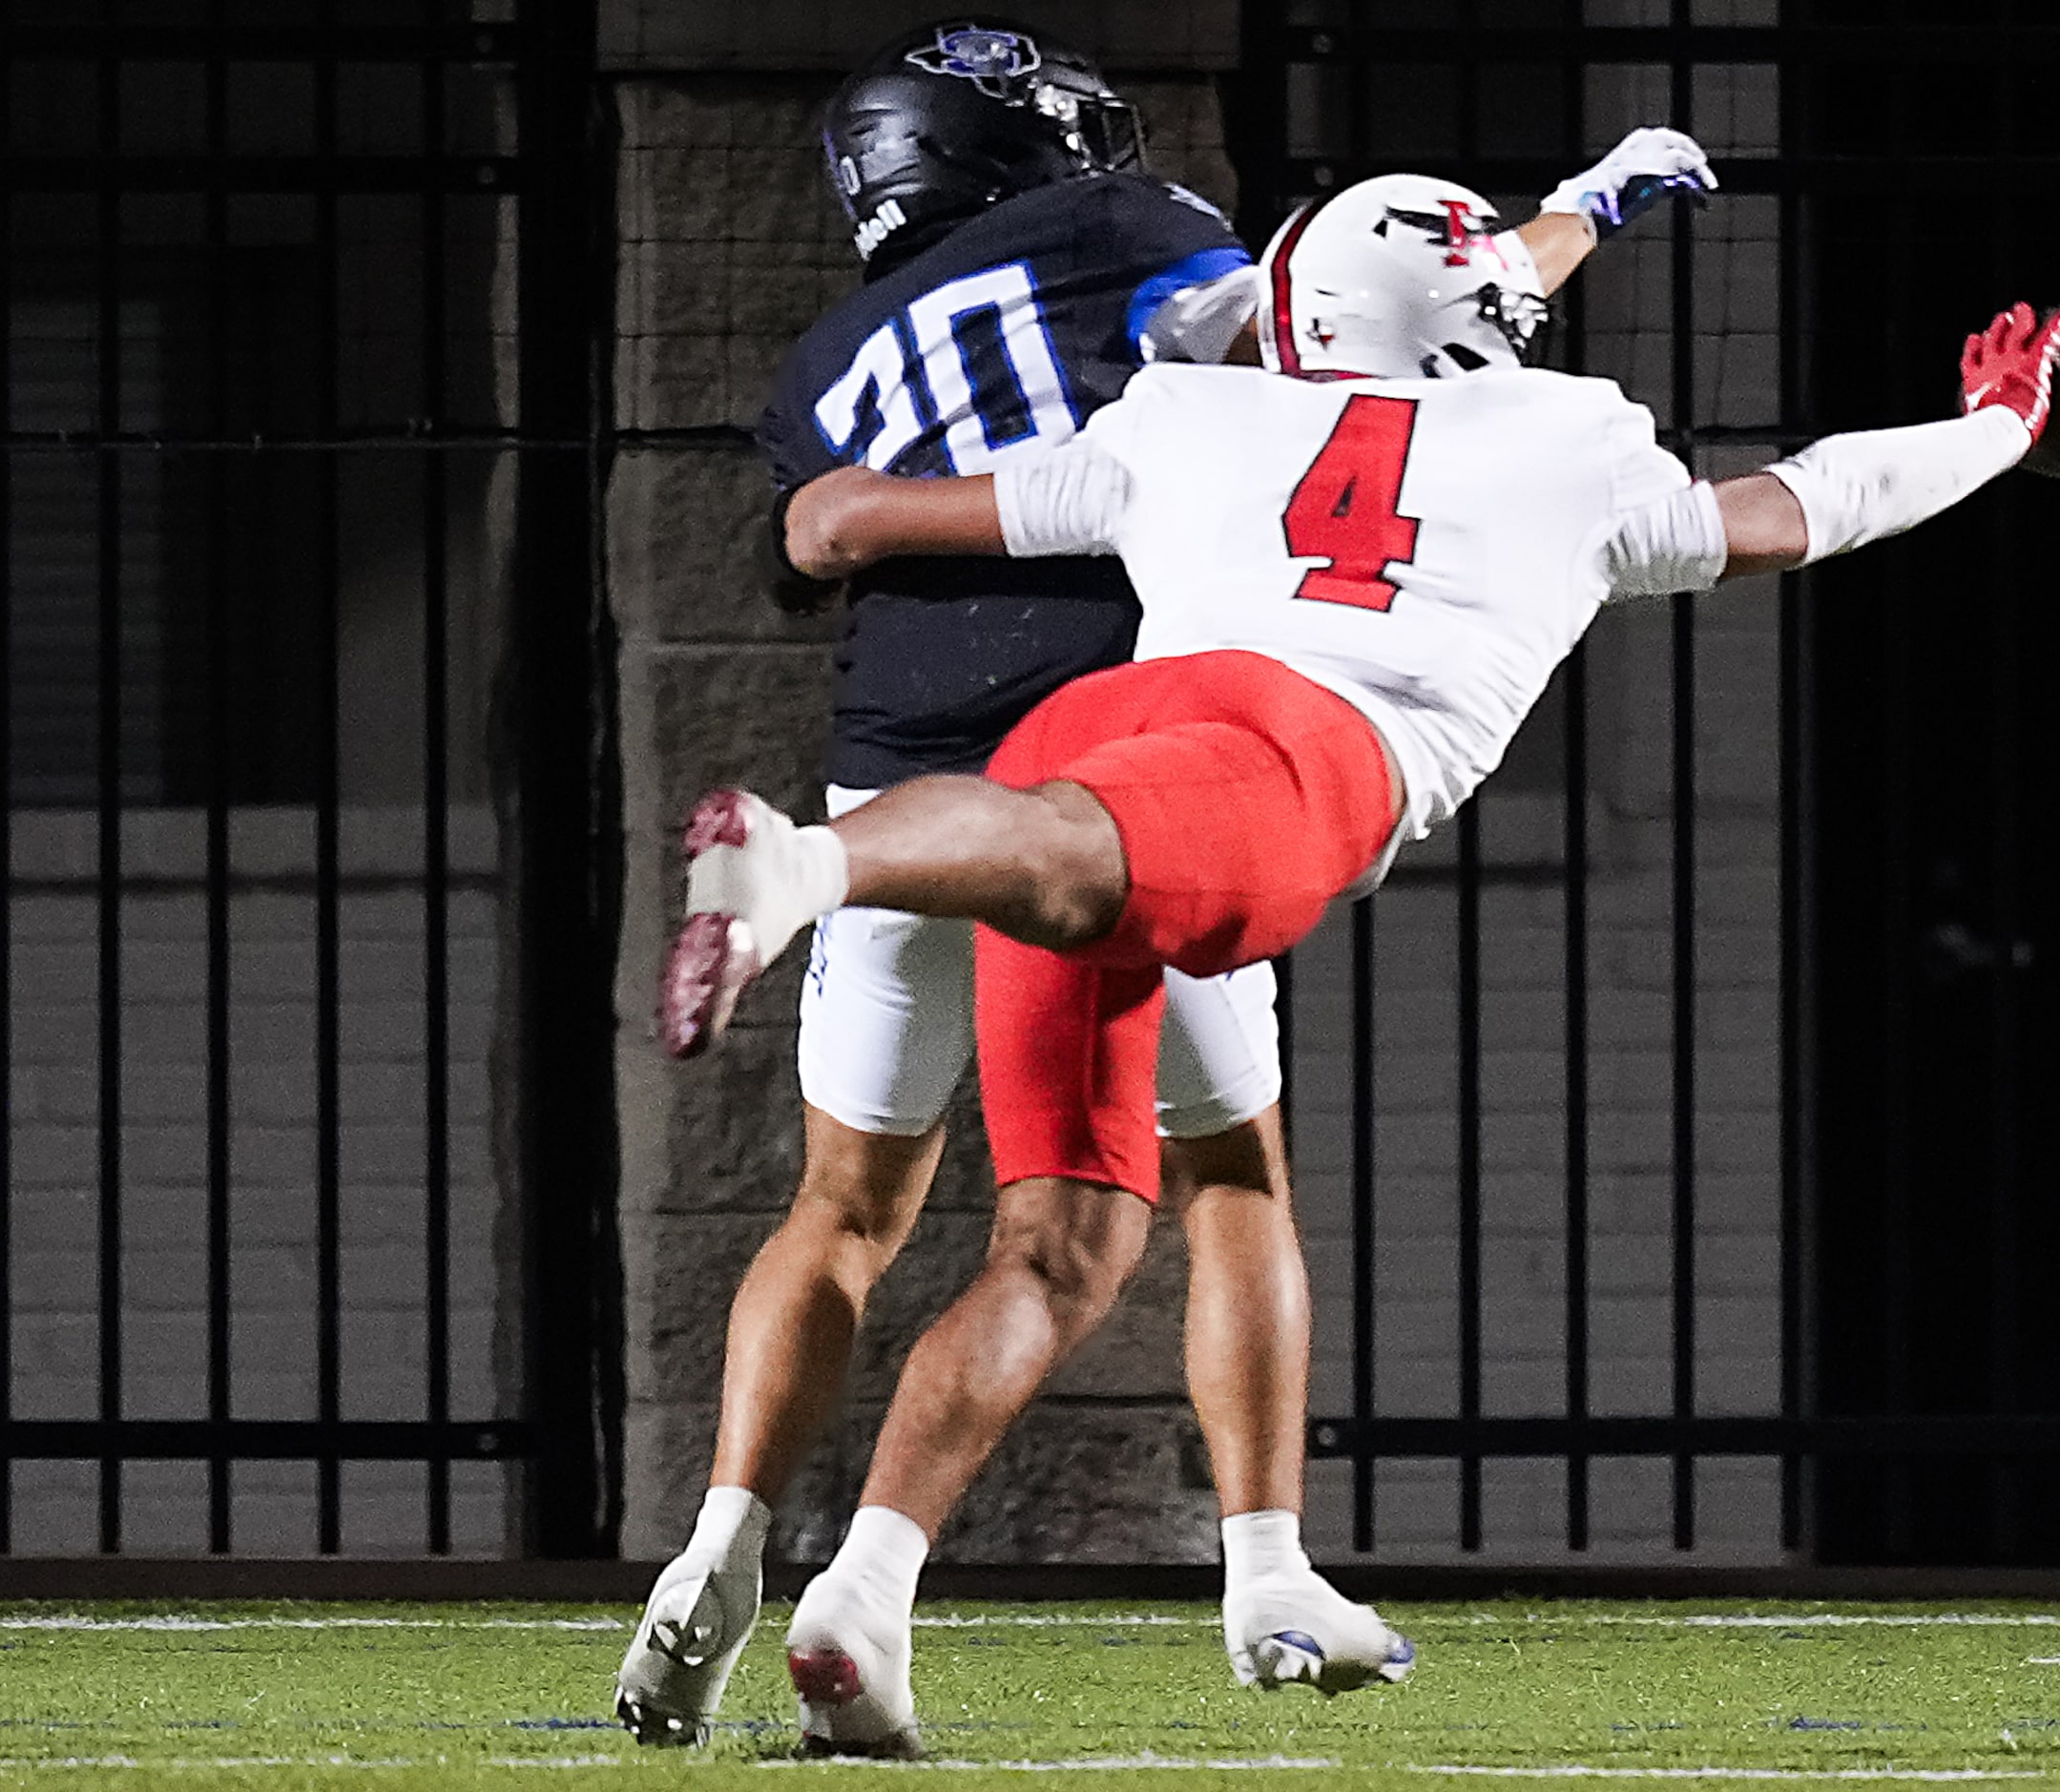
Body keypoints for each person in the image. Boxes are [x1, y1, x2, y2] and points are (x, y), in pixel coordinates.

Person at [656, 167, 2060, 1757]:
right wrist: (1998, 427)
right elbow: (1813, 502)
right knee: (1132, 1033)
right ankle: (800, 866)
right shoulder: (1570, 440)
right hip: (1299, 755)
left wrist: (819, 524)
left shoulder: (1193, 415)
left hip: (1103, 721)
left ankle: (870, 1590)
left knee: (1074, 1234)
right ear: (1490, 319)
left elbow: (877, 514)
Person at [614, 14, 1718, 1750]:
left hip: (896, 769)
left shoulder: (823, 357)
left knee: (842, 1208)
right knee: (1205, 1179)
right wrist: (1596, 201)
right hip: (1115, 762)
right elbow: (1428, 307)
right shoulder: (1138, 236)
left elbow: (811, 543)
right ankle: (1263, 1563)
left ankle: (710, 1558)